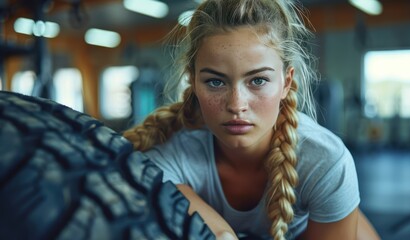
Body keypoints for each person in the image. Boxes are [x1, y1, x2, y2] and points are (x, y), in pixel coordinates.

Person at [123, 0, 380, 239]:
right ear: (192, 81)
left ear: (286, 82)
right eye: (215, 81)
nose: (236, 105)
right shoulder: (170, 152)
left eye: (258, 80)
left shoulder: (325, 161)